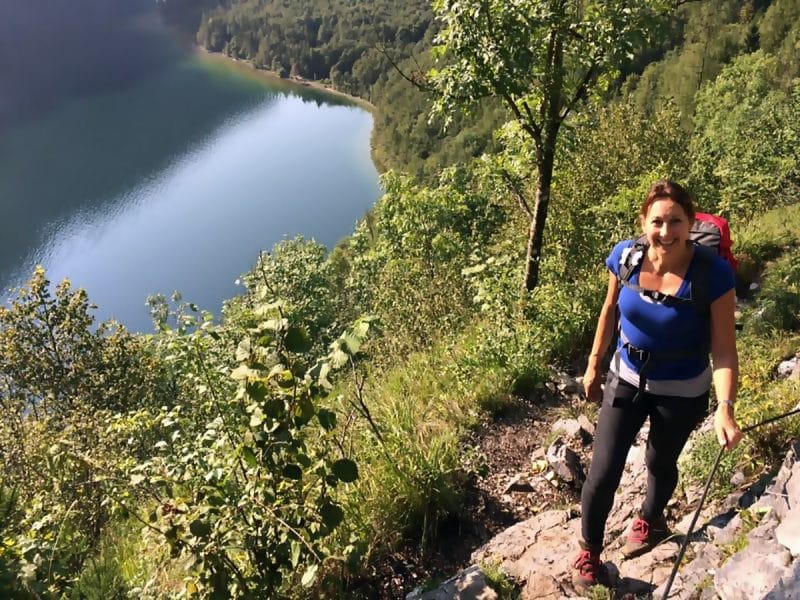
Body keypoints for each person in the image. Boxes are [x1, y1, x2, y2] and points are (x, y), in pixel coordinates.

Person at [571, 179, 743, 593]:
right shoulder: (626, 257)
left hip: (682, 390)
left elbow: (723, 349)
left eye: (676, 222)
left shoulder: (713, 275)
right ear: (643, 222)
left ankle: (651, 518)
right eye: (657, 222)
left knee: (659, 462)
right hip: (626, 377)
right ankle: (589, 551)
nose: (666, 232)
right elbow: (609, 311)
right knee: (602, 471)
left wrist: (725, 406)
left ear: (690, 222)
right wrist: (594, 364)